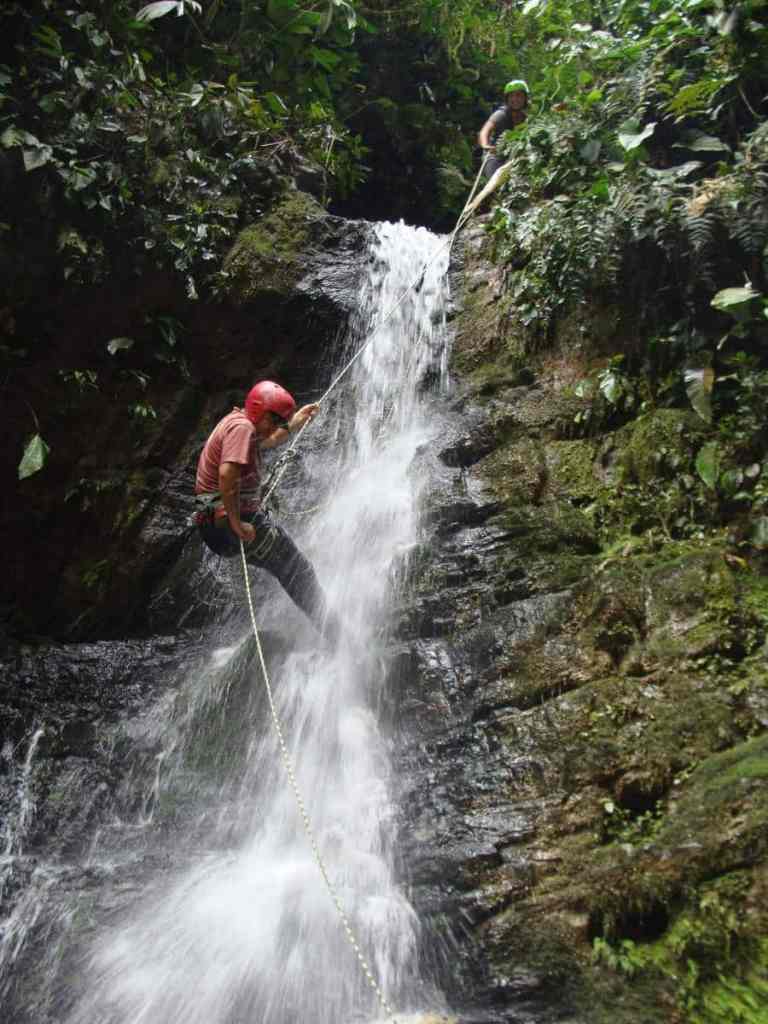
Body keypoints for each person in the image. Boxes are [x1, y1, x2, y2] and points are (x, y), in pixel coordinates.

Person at [194, 380, 342, 645]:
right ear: (258, 410)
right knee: (297, 570)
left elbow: (269, 440)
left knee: (292, 568)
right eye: (273, 420)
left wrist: (295, 422)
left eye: (279, 421)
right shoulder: (242, 428)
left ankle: (332, 631)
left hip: (218, 523)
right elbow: (227, 474)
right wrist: (237, 524)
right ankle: (337, 636)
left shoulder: (239, 422)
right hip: (227, 524)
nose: (274, 427)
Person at [477, 79, 530, 179]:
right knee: (495, 181)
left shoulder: (526, 118)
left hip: (514, 155)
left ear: (525, 98)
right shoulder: (501, 114)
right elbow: (485, 131)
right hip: (495, 155)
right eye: (511, 96)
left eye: (519, 95)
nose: (515, 99)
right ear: (507, 99)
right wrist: (485, 145)